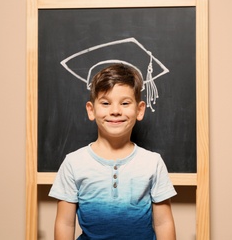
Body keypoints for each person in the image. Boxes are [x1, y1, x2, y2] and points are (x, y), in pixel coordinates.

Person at [49, 63, 177, 240]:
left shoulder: (152, 163)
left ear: (139, 110)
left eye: (125, 103)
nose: (115, 111)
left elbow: (164, 223)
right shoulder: (73, 163)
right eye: (105, 103)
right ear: (91, 110)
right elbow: (65, 223)